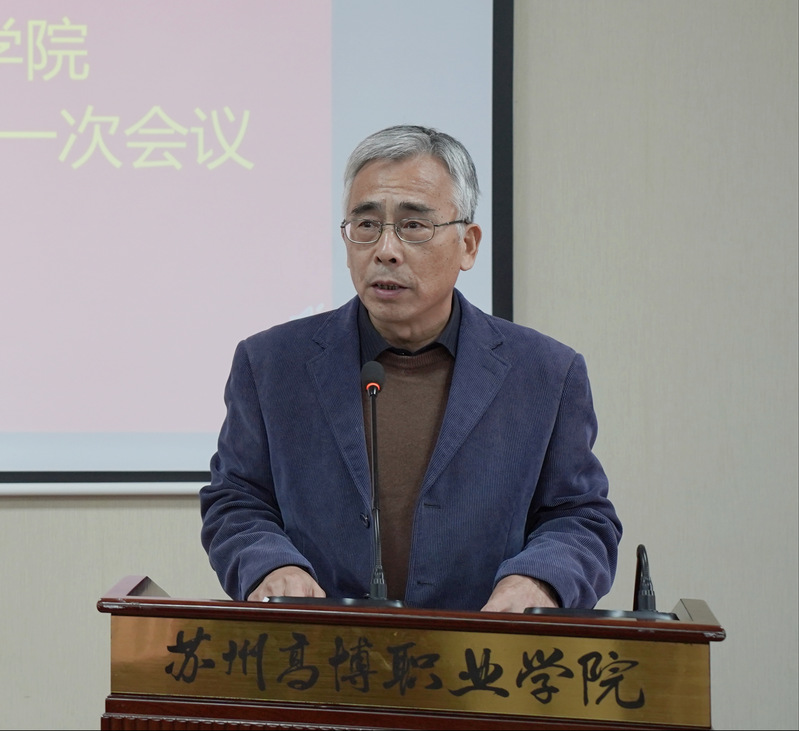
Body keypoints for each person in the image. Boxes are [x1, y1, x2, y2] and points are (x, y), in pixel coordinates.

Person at [200, 124, 622, 613]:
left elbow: (580, 517)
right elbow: (236, 499)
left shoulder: (546, 373)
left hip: (480, 650)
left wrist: (538, 581)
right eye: (366, 225)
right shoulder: (271, 364)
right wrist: (271, 565)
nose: (385, 249)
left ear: (468, 245)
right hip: (318, 649)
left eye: (413, 225)